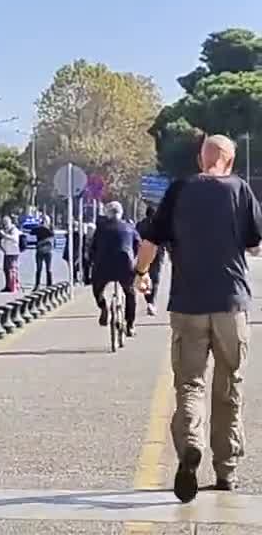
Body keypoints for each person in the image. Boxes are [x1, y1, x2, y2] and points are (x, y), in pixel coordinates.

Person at [136, 135, 262, 502]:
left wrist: (140, 272)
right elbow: (255, 242)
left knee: (189, 384)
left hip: (188, 305)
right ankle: (226, 471)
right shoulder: (240, 190)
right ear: (230, 159)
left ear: (200, 158)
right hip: (231, 306)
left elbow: (151, 241)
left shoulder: (179, 190)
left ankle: (191, 444)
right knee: (229, 389)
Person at [89, 201, 141, 336]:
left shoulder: (101, 229)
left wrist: (92, 261)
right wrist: (133, 259)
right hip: (125, 265)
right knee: (130, 293)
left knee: (97, 289)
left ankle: (103, 307)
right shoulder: (129, 227)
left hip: (103, 266)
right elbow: (138, 245)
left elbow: (93, 249)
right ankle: (130, 326)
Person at [136, 205, 166, 315]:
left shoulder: (140, 225)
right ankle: (151, 302)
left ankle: (148, 301)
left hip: (144, 254)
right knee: (155, 279)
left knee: (144, 277)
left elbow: (136, 238)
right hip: (157, 254)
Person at [0, 216, 21, 292]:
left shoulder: (14, 230)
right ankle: (8, 285)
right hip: (6, 252)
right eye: (4, 223)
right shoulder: (4, 230)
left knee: (13, 269)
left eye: (6, 223)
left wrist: (4, 235)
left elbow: (14, 239)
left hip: (14, 252)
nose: (5, 225)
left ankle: (15, 285)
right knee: (6, 269)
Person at [32, 215, 55, 289]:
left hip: (48, 251)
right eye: (43, 220)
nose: (44, 221)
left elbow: (52, 235)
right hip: (39, 251)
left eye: (46, 220)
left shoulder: (50, 228)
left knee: (49, 269)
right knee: (39, 268)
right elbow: (32, 232)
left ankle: (49, 284)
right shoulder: (39, 228)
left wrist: (46, 227)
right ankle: (37, 284)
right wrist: (40, 226)